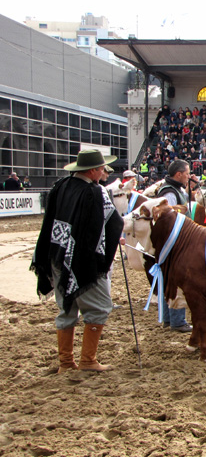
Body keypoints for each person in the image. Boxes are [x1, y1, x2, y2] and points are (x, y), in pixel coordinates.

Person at [31, 149, 123, 373]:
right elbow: (112, 223)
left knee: (66, 307)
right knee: (100, 307)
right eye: (101, 169)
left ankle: (66, 362)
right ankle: (88, 360)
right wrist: (111, 243)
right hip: (84, 261)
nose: (104, 172)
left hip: (59, 255)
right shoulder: (95, 192)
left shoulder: (60, 186)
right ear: (92, 170)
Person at [156, 160, 198, 332]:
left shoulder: (174, 189)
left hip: (174, 240)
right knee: (176, 280)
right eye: (187, 173)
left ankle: (169, 319)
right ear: (179, 174)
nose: (189, 176)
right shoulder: (169, 192)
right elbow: (169, 216)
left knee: (169, 281)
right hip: (174, 241)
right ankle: (177, 321)